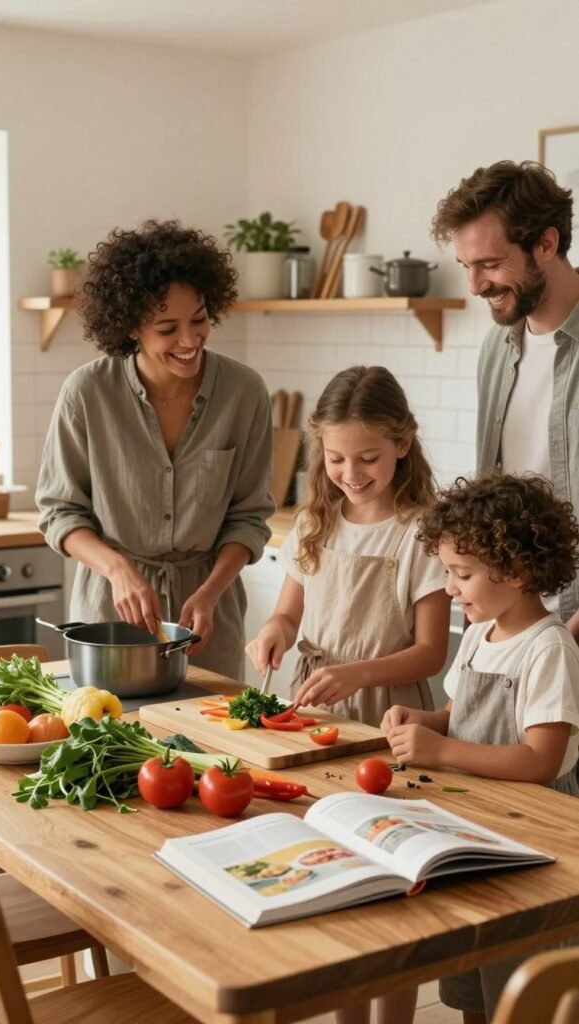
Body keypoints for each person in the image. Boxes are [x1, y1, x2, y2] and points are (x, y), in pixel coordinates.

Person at [246, 364, 450, 1024]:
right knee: (334, 876)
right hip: (314, 716)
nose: (350, 473)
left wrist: (359, 672)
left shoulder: (422, 531)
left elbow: (430, 651)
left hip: (389, 721)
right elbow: (287, 612)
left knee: (392, 890)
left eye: (366, 457)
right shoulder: (317, 519)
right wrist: (273, 632)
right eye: (335, 458)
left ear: (402, 443)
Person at [36, 219, 274, 680]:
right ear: (131, 329)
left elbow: (248, 517)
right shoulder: (87, 392)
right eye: (168, 328)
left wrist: (210, 592)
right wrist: (118, 569)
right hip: (110, 613)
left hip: (208, 619)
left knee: (212, 743)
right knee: (109, 740)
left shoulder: (244, 393)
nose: (190, 340)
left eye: (200, 319)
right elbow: (60, 512)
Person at [383, 472, 579, 1024]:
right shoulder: (477, 634)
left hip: (536, 836)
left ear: (516, 572)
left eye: (462, 574)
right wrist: (425, 721)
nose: (449, 588)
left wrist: (439, 752)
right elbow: (459, 716)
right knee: (472, 970)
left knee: (518, 982)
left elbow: (539, 761)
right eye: (448, 571)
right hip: (476, 825)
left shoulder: (548, 649)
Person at [431, 159, 579, 638]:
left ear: (547, 244)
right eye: (466, 267)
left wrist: (568, 635)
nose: (475, 286)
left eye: (491, 265)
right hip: (517, 621)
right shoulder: (498, 347)